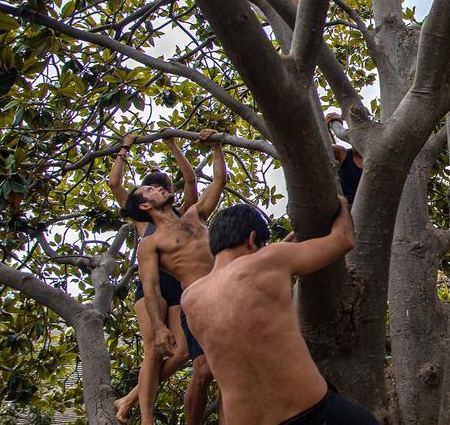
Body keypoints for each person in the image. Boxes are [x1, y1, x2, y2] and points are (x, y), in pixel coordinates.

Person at [180, 199, 379, 423]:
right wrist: (340, 202)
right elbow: (343, 239)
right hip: (309, 413)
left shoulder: (190, 299)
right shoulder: (270, 259)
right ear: (253, 239)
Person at [130, 130, 228, 424]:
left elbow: (219, 181)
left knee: (228, 372)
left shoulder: (194, 214)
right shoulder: (151, 243)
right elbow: (150, 287)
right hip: (196, 302)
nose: (158, 188)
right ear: (145, 206)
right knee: (204, 369)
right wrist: (159, 328)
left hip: (226, 294)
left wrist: (216, 147)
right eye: (150, 190)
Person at [108, 133, 205, 424]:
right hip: (153, 288)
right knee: (153, 350)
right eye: (152, 187)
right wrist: (125, 146)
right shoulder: (143, 218)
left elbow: (191, 182)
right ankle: (145, 418)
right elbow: (114, 184)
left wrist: (173, 145)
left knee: (183, 351)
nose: (160, 190)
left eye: (163, 186)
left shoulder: (183, 215)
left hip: (179, 288)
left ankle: (128, 398)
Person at [325, 112, 363, 206]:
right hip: (348, 211)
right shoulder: (343, 153)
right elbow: (320, 148)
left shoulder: (382, 161)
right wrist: (333, 121)